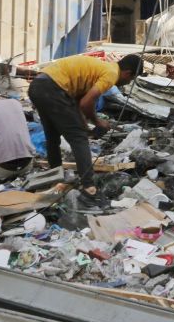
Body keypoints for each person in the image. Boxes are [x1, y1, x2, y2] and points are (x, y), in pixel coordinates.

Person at [27, 53, 142, 209]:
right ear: (128, 73)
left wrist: (85, 126)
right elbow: (86, 102)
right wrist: (97, 122)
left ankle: (55, 179)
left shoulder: (101, 68)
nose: (128, 82)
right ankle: (89, 189)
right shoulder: (111, 74)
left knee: (53, 137)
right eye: (131, 79)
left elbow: (77, 102)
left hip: (38, 86)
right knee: (78, 139)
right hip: (52, 89)